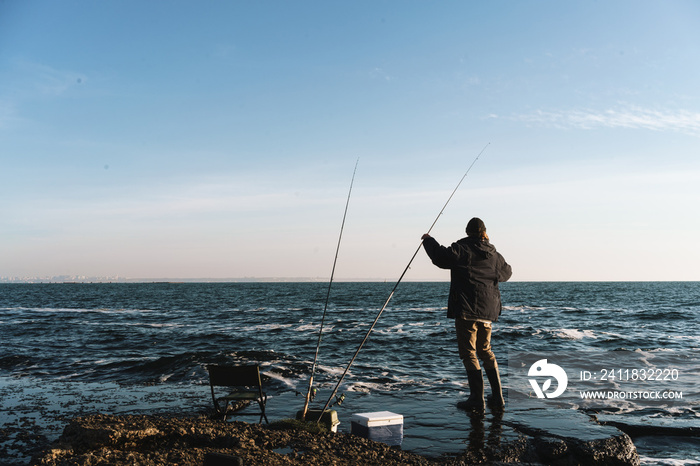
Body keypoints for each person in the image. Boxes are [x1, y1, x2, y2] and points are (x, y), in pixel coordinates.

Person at [421, 217, 512, 411]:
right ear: (484, 232)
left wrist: (428, 240)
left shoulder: (463, 250)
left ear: (467, 231)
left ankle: (477, 399)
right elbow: (507, 273)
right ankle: (498, 398)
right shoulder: (494, 254)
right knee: (485, 351)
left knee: (469, 352)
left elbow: (440, 257)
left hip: (467, 310)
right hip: (487, 312)